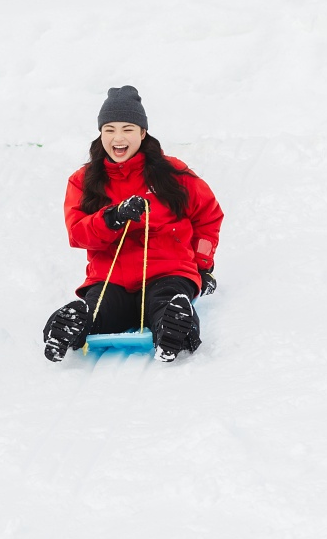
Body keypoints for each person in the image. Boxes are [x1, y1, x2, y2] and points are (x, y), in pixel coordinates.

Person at [44, 86, 223, 363]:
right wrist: (111, 218)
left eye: (127, 129)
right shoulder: (84, 180)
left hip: (167, 269)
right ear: (101, 133)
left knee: (165, 302)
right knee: (100, 310)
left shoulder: (173, 173)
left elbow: (208, 215)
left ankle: (174, 327)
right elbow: (78, 233)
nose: (118, 138)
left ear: (142, 133)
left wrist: (202, 265)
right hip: (111, 277)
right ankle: (71, 326)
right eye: (110, 130)